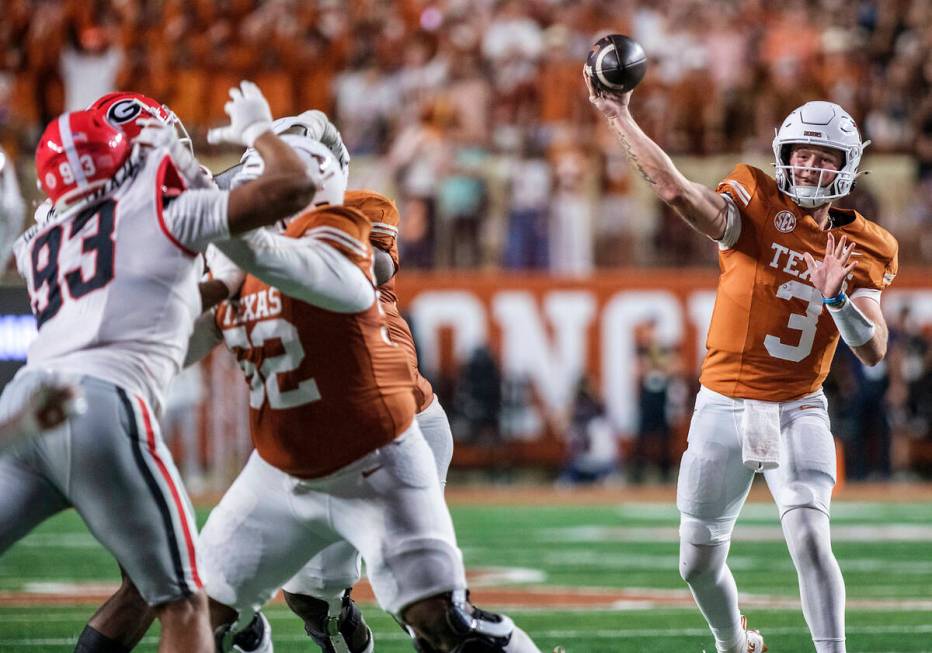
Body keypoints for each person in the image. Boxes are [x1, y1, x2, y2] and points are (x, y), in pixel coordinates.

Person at [190, 125, 541, 653]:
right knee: (283, 602)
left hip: (391, 429)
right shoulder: (234, 249)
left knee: (434, 618)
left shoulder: (349, 217)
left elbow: (366, 266)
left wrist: (250, 240)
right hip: (288, 450)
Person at [0, 81, 318, 652]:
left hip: (25, 406)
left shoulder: (42, 235)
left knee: (143, 589)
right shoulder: (158, 200)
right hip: (98, 404)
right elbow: (294, 185)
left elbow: (132, 291)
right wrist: (255, 131)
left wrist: (222, 285)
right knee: (184, 601)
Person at [587, 72, 898, 653]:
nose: (808, 167)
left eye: (823, 158)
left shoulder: (868, 244)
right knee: (696, 561)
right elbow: (680, 194)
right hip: (724, 402)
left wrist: (837, 299)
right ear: (783, 156)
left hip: (798, 405)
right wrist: (620, 117)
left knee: (809, 534)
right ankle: (734, 642)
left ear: (847, 168)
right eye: (801, 154)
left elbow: (874, 348)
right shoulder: (753, 195)